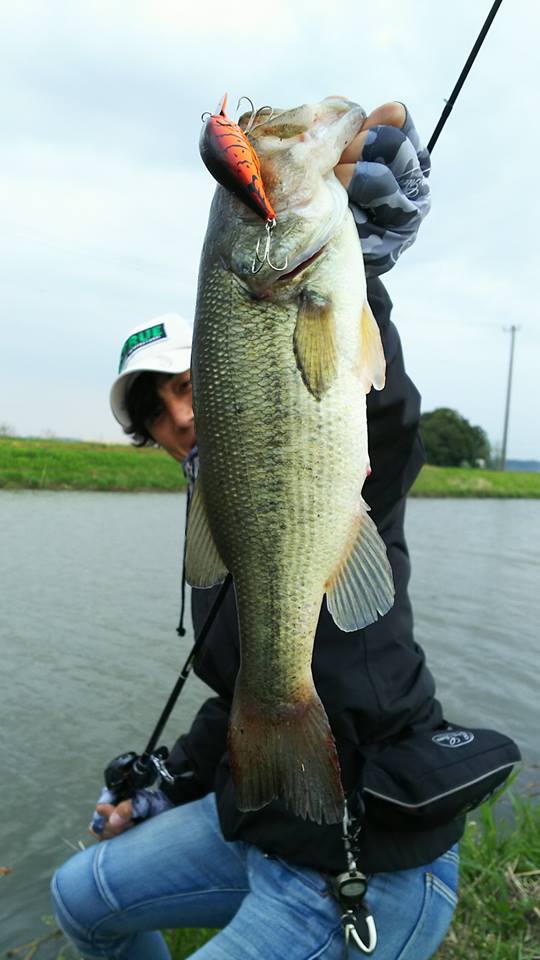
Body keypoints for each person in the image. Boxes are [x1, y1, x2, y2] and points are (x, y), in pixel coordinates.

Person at [51, 103, 461, 959]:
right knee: (80, 896)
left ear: (223, 362)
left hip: (372, 850)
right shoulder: (216, 529)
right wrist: (169, 779)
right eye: (151, 411)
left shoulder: (319, 450)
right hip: (263, 827)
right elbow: (248, 683)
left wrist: (366, 279)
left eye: (183, 381)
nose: (178, 414)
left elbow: (384, 425)